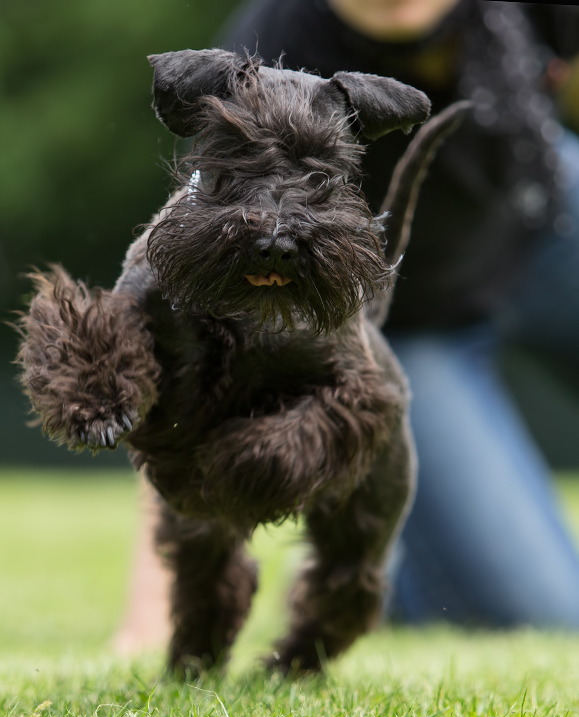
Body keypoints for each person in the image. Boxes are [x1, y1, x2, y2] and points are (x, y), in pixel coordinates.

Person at [113, 0, 579, 655]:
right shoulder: (267, 46)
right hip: (395, 324)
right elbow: (175, 317)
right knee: (550, 614)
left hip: (537, 220)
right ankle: (417, 573)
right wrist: (151, 616)